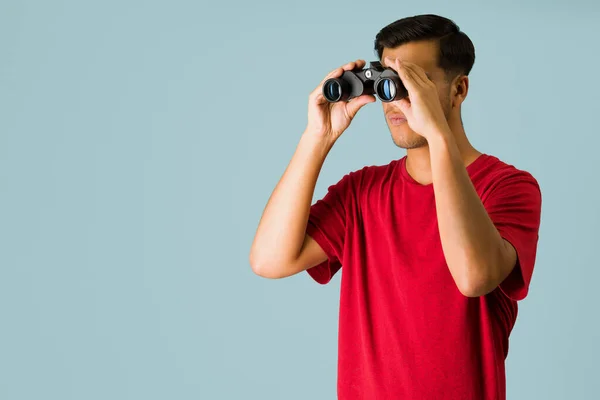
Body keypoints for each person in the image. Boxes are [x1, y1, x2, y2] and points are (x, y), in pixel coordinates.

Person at [249, 14, 542, 400]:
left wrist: (437, 134)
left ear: (459, 89)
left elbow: (474, 277)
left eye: (413, 84)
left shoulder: (507, 186)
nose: (396, 101)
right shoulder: (362, 192)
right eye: (389, 83)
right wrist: (316, 137)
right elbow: (269, 261)